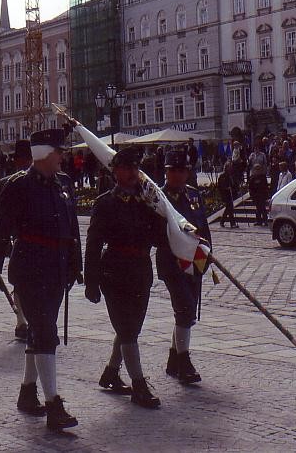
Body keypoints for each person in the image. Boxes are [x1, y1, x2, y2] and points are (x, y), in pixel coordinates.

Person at [0, 128, 81, 431]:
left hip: (56, 269)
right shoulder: (18, 187)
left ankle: (28, 392)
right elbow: (1, 231)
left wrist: (75, 264)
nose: (62, 156)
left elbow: (72, 228)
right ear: (44, 154)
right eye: (58, 151)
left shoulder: (63, 183)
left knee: (39, 332)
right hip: (30, 269)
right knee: (45, 333)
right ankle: (53, 404)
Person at [84, 146, 164, 409]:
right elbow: (94, 243)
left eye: (135, 168)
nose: (132, 173)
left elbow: (158, 236)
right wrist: (91, 280)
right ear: (115, 171)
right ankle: (139, 385)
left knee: (131, 328)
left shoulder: (147, 201)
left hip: (140, 269)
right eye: (127, 168)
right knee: (127, 329)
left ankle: (111, 372)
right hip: (115, 270)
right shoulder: (106, 202)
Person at [158, 150, 209, 385]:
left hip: (195, 261)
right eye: (173, 171)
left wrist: (206, 256)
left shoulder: (193, 195)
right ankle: (184, 361)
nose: (178, 175)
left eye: (182, 171)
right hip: (172, 262)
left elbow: (203, 227)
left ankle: (173, 358)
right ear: (166, 172)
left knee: (185, 312)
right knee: (185, 309)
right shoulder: (160, 199)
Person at [0, 139, 33, 342]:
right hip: (17, 240)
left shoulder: (43, 180)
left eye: (28, 159)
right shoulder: (5, 184)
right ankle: (21, 321)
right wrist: (4, 242)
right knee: (21, 284)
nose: (25, 163)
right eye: (21, 159)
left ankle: (30, 321)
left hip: (36, 241)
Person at [217, 161, 238, 228]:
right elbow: (221, 185)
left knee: (229, 208)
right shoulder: (222, 176)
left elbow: (233, 184)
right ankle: (232, 223)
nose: (230, 168)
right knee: (230, 208)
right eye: (229, 167)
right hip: (225, 194)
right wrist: (226, 188)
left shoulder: (230, 175)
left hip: (229, 194)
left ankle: (222, 221)